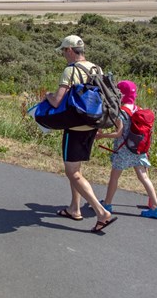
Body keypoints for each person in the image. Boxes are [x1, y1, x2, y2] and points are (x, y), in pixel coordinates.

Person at [46, 35, 116, 233]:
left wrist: (48, 96)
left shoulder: (70, 70)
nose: (63, 55)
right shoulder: (96, 68)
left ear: (69, 50)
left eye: (63, 51)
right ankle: (74, 208)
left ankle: (101, 212)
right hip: (92, 125)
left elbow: (57, 101)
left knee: (72, 172)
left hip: (75, 128)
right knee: (77, 169)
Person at [97, 80, 157, 219]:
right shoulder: (138, 109)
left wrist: (101, 135)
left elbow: (119, 133)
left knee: (114, 177)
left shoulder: (121, 112)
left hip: (123, 150)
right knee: (144, 177)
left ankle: (107, 204)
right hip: (138, 149)